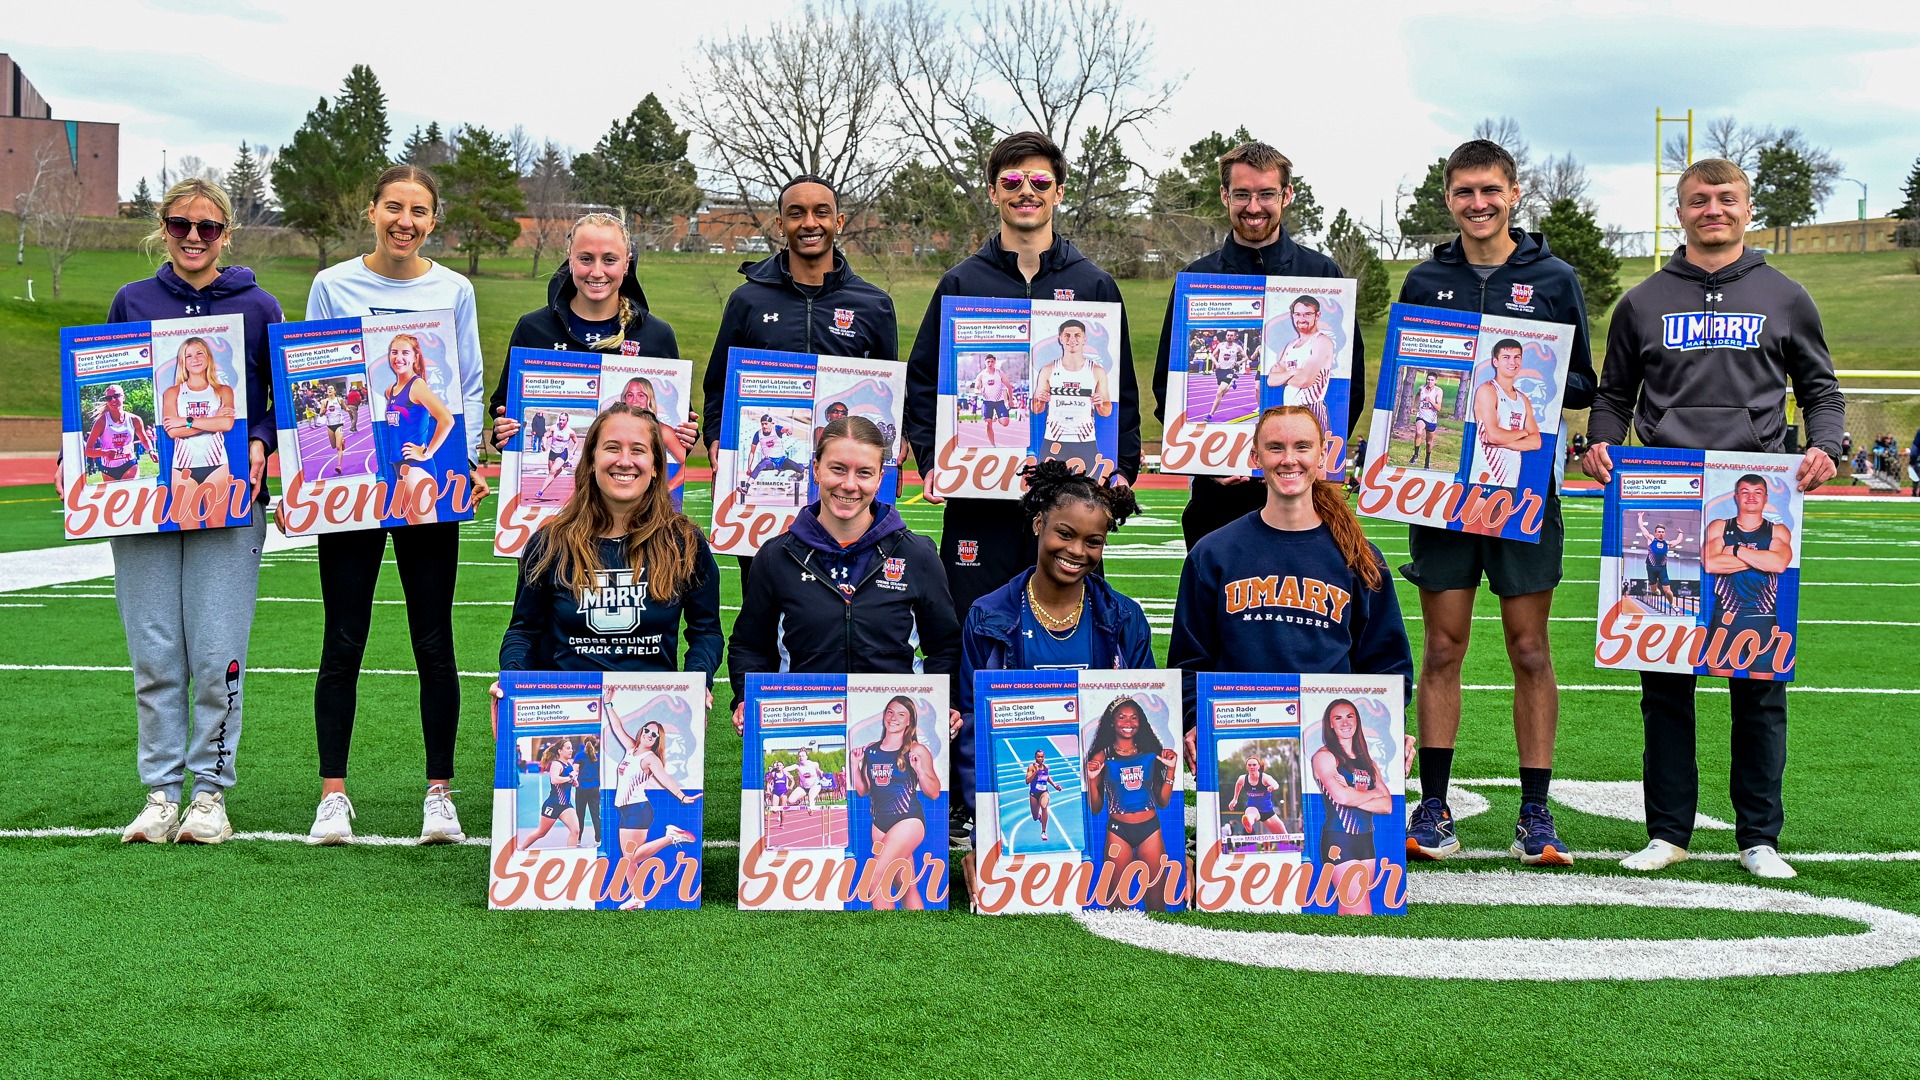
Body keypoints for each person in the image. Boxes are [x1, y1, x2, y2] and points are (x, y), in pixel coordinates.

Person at [1583, 157, 1843, 881]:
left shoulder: (1786, 296)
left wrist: (1823, 446)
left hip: (1751, 499)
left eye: (1726, 198)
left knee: (1757, 682)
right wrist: (1602, 443)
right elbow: (1613, 395)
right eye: (1700, 200)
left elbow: (1821, 388)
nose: (1713, 209)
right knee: (1664, 683)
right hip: (1660, 503)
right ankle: (1668, 832)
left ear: (1746, 207)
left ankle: (1758, 836)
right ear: (1681, 210)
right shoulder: (1642, 302)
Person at [1396, 139, 1596, 868]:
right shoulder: (1424, 279)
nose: (1477, 204)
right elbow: (1408, 385)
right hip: (1446, 486)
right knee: (1444, 646)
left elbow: (1582, 383)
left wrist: (1537, 376)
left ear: (1515, 193)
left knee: (1530, 648)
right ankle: (1435, 808)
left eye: (1490, 191)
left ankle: (1534, 814)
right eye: (1462, 193)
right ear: (1447, 199)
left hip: (1519, 490)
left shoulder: (1553, 277)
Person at [301, 164, 487, 846]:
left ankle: (439, 793)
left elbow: (466, 381)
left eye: (419, 211)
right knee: (343, 637)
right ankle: (332, 796)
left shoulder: (454, 289)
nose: (404, 221)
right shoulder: (333, 285)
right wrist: (320, 465)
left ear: (434, 221)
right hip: (354, 480)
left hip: (427, 484)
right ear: (372, 210)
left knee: (433, 639)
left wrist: (461, 460)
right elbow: (316, 382)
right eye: (393, 207)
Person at [94, 177, 282, 845]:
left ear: (227, 233)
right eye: (180, 225)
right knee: (153, 654)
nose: (194, 236)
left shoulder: (260, 307)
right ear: (163, 229)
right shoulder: (132, 301)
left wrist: (259, 442)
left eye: (207, 226)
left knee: (217, 653)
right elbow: (105, 384)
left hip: (230, 499)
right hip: (147, 502)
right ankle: (159, 793)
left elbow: (276, 408)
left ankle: (209, 793)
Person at [904, 130, 1142, 619]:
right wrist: (931, 459)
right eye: (1011, 180)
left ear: (1058, 190)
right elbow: (925, 381)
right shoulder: (962, 282)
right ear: (993, 192)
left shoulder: (1094, 283)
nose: (1025, 191)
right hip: (981, 501)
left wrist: (1123, 467)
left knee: (1070, 626)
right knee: (974, 622)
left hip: (1071, 498)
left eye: (1039, 180)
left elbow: (1123, 392)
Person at [1150, 140, 1367, 552]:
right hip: (1220, 496)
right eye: (1242, 194)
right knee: (1217, 611)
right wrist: (1204, 459)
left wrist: (1314, 458)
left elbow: (1349, 386)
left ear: (1286, 195)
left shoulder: (1323, 274)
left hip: (1304, 492)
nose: (1254, 206)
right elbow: (1169, 385)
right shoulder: (1197, 278)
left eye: (1266, 194)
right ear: (1224, 196)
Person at [1168, 406, 1414, 764]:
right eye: (1275, 448)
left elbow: (1387, 662)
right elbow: (1189, 659)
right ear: (1255, 456)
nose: (1289, 460)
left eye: (1302, 447)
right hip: (1238, 739)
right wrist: (1193, 719)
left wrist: (1387, 722)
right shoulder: (1214, 552)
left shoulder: (1358, 555)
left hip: (1329, 744)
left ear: (1322, 455)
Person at [700, 175, 897, 591]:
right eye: (797, 213)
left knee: (841, 605)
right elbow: (719, 384)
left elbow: (886, 392)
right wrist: (717, 438)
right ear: (779, 225)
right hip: (763, 500)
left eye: (821, 212)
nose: (810, 223)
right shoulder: (748, 300)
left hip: (843, 486)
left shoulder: (874, 304)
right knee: (765, 606)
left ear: (839, 221)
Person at [727, 416, 962, 734]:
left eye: (864, 472)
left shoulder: (917, 555)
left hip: (892, 730)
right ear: (816, 468)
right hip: (803, 728)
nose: (849, 484)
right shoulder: (775, 557)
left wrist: (943, 702)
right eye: (837, 468)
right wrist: (745, 696)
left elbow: (946, 647)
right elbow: (750, 646)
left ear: (880, 478)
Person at [953, 460, 1152, 830]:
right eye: (1065, 533)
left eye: (1093, 542)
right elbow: (972, 726)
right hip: (1015, 793)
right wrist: (990, 820)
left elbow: (1146, 718)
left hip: (1106, 800)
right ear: (1038, 524)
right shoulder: (987, 616)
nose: (1077, 551)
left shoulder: (1124, 619)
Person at [498, 404, 723, 679]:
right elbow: (523, 632)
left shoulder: (685, 542)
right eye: (612, 448)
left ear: (655, 466)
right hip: (570, 712)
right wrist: (512, 678)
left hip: (653, 713)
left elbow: (706, 631)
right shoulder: (550, 543)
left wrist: (697, 681)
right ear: (592, 460)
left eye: (638, 450)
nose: (625, 461)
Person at [487, 213, 696, 456]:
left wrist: (687, 434)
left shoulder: (657, 334)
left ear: (627, 263)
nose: (597, 272)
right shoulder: (533, 328)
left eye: (609, 260)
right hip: (565, 488)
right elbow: (502, 407)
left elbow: (679, 425)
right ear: (570, 258)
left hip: (629, 487)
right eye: (586, 259)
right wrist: (502, 429)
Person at [1083, 697, 1179, 912]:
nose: (1128, 722)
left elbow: (1163, 802)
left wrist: (1171, 769)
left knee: (1156, 902)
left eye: (1134, 717)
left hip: (1150, 829)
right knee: (1116, 903)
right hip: (1118, 831)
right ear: (1111, 722)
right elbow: (1096, 807)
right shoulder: (1102, 755)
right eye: (1122, 717)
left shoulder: (1151, 752)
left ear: (1141, 722)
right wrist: (1091, 778)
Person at [849, 695, 942, 910]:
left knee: (874, 880)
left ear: (909, 721)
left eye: (901, 714)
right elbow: (864, 790)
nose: (894, 718)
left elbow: (934, 792)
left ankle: (886, 938)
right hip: (879, 824)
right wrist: (854, 765)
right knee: (905, 884)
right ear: (884, 715)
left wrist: (919, 769)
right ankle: (918, 932)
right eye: (890, 712)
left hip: (908, 820)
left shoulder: (917, 750)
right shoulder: (871, 750)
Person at [605, 707, 700, 908]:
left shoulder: (650, 758)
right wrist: (609, 705)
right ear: (641, 732)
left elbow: (664, 777)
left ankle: (671, 837)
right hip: (626, 810)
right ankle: (636, 898)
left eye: (654, 735)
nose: (649, 735)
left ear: (657, 741)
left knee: (631, 857)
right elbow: (617, 726)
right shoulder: (631, 749)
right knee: (629, 859)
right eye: (647, 731)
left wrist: (682, 797)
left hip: (638, 810)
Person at [1702, 475, 1792, 676]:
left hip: (1763, 621)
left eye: (1757, 492)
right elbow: (1710, 563)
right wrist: (1760, 560)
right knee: (1716, 689)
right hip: (1724, 619)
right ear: (1736, 496)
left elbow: (1777, 564)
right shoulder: (1720, 526)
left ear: (1766, 498)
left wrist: (1734, 550)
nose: (1751, 497)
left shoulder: (1777, 530)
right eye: (1745, 492)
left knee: (1761, 690)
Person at [1310, 698, 1392, 915]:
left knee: (1352, 907)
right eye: (1338, 718)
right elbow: (1341, 797)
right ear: (1331, 725)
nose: (1345, 722)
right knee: (1360, 910)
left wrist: (1356, 794)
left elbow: (1387, 805)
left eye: (1350, 716)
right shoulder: (1325, 757)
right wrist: (1372, 794)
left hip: (1366, 841)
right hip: (1340, 839)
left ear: (1357, 721)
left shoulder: (1369, 762)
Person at [159, 336, 237, 529]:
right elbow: (173, 432)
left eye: (199, 353)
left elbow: (226, 425)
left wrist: (186, 421)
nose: (195, 359)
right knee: (188, 531)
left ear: (208, 357)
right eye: (189, 355)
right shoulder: (173, 392)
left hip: (217, 466)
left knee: (217, 528)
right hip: (183, 470)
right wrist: (213, 421)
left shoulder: (223, 391)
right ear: (182, 362)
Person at [380, 332, 457, 526]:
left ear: (415, 358)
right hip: (400, 469)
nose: (398, 358)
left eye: (405, 353)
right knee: (414, 535)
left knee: (427, 539)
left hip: (417, 469)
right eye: (394, 352)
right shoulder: (390, 391)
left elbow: (447, 419)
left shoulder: (417, 386)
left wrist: (427, 452)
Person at [1031, 318, 1112, 469]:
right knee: (1047, 489)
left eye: (1077, 335)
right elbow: (1036, 409)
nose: (1072, 339)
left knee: (1087, 490)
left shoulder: (1097, 371)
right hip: (1054, 439)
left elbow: (1107, 411)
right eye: (1067, 335)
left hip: (1085, 440)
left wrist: (1100, 404)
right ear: (1060, 339)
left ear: (1084, 339)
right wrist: (1040, 401)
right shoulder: (1048, 370)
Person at [1468, 338, 1541, 489]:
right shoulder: (1487, 390)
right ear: (1495, 361)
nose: (1512, 362)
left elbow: (1536, 442)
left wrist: (1503, 441)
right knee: (1476, 514)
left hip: (1511, 479)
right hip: (1486, 475)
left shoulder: (1523, 399)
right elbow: (1493, 436)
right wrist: (1524, 432)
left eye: (1516, 357)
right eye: (1506, 357)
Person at [1270, 295, 1336, 433]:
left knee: (1313, 453)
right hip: (1290, 411)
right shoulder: (1291, 346)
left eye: (1307, 314)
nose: (1301, 319)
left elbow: (1305, 380)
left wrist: (1284, 376)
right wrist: (1293, 372)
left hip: (1310, 409)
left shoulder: (1321, 342)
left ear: (1317, 315)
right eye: (1297, 314)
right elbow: (1271, 380)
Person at [85, 384, 156, 482]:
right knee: (114, 497)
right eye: (109, 398)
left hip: (129, 464)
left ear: (124, 397)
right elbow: (88, 451)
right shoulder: (101, 422)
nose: (113, 400)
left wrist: (151, 451)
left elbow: (144, 439)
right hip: (109, 469)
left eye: (116, 396)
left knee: (131, 493)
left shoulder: (134, 419)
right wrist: (104, 453)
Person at [522, 739, 583, 851]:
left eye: (571, 748)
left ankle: (571, 855)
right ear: (560, 751)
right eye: (568, 748)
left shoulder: (569, 764)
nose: (571, 750)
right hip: (553, 805)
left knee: (575, 831)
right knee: (541, 833)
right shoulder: (556, 764)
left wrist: (574, 781)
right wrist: (570, 777)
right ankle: (521, 848)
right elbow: (555, 780)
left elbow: (570, 782)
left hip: (566, 806)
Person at [1637, 514, 1688, 611]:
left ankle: (1672, 604)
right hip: (1651, 568)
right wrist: (1640, 516)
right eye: (1659, 532)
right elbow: (1642, 527)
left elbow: (1677, 541)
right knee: (1654, 590)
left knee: (1667, 591)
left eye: (1662, 532)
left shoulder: (1667, 543)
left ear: (1665, 533)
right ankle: (1656, 590)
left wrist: (1681, 532)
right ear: (1656, 533)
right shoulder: (1651, 539)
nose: (1661, 533)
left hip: (1662, 569)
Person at [1229, 756, 1286, 838]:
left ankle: (1289, 846)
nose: (1252, 767)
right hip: (1252, 808)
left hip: (1268, 811)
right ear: (1246, 767)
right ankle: (1248, 824)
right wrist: (1235, 799)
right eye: (1249, 765)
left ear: (1258, 766)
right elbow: (1238, 784)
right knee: (1250, 815)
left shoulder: (1264, 778)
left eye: (1254, 765)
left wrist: (1272, 787)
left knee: (1284, 836)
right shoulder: (1242, 779)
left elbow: (1275, 784)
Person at [1202, 329, 1248, 421]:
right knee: (1222, 394)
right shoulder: (1220, 345)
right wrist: (1216, 363)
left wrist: (1240, 362)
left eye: (1231, 335)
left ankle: (1210, 415)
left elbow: (1246, 357)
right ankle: (1231, 384)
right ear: (1226, 336)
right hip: (1219, 371)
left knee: (1219, 393)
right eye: (1228, 335)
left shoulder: (1237, 347)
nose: (1229, 337)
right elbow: (1212, 355)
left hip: (1229, 371)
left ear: (1235, 337)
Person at [535, 413, 578, 503]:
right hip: (552, 452)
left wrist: (572, 452)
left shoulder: (570, 432)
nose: (561, 422)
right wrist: (544, 444)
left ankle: (540, 491)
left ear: (567, 421)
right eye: (560, 419)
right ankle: (565, 465)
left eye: (563, 420)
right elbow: (545, 436)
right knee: (552, 474)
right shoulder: (554, 428)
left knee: (553, 471)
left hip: (563, 453)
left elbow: (576, 442)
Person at [1025, 750, 1064, 842]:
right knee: (1034, 817)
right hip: (1034, 794)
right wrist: (1036, 772)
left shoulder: (1046, 767)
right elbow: (1027, 781)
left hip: (1044, 792)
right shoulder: (1031, 767)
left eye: (1042, 757)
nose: (1040, 758)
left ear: (1044, 757)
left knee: (1044, 806)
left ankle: (1043, 831)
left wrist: (1055, 785)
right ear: (1035, 757)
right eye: (1038, 757)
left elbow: (1047, 777)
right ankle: (1039, 817)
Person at [1411, 373, 1446, 467]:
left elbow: (1438, 408)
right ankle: (1415, 455)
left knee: (1429, 442)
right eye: (1428, 379)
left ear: (1436, 381)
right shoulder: (1421, 388)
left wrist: (1430, 401)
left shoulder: (1438, 391)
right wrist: (1414, 406)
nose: (1429, 382)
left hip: (1431, 419)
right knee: (1418, 432)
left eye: (1432, 380)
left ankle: (1427, 460)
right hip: (1421, 416)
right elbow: (1418, 395)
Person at [976, 356, 1012, 446]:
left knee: (1005, 423)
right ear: (985, 362)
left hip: (999, 402)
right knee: (988, 424)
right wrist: (980, 391)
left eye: (992, 361)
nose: (990, 364)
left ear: (995, 362)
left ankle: (997, 416)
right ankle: (993, 445)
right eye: (988, 362)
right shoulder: (981, 375)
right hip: (987, 403)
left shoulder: (999, 373)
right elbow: (975, 390)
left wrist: (1010, 400)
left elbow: (1009, 386)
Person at [320, 385, 350, 474]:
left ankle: (339, 466)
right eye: (328, 389)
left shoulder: (339, 400)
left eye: (331, 388)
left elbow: (345, 408)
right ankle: (342, 441)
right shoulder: (324, 402)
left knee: (338, 447)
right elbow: (321, 414)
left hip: (339, 425)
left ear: (335, 391)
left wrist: (348, 410)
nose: (329, 389)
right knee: (333, 446)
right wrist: (323, 412)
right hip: (330, 426)